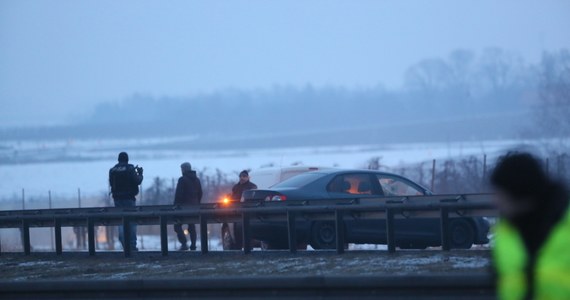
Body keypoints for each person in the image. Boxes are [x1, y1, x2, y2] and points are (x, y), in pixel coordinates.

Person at [490, 152, 570, 300]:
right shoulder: (505, 235)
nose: (496, 201)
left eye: (500, 194)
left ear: (519, 191)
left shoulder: (565, 228)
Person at [109, 152, 143, 252]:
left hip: (117, 199)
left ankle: (124, 242)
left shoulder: (113, 170)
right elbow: (137, 181)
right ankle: (132, 245)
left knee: (121, 222)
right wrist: (140, 173)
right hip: (129, 198)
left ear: (118, 159)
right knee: (131, 222)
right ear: (127, 159)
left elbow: (111, 183)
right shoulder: (130, 169)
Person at [173, 162, 202, 251]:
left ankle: (184, 243)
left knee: (177, 225)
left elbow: (179, 195)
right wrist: (197, 203)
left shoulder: (182, 180)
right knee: (191, 226)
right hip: (194, 207)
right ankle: (193, 245)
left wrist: (176, 206)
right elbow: (200, 193)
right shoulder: (196, 180)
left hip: (183, 208)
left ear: (183, 169)